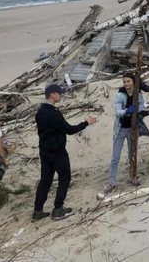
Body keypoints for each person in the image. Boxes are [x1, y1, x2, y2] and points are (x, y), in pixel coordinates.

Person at [33, 84, 97, 222]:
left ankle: (37, 211)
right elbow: (69, 129)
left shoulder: (40, 112)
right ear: (52, 95)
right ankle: (58, 209)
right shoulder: (53, 113)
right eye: (59, 93)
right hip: (57, 152)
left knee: (45, 180)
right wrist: (86, 123)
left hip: (44, 151)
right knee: (65, 177)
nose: (60, 95)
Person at [106, 72, 145, 192]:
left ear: (133, 81)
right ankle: (112, 181)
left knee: (132, 154)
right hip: (121, 129)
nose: (126, 84)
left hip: (132, 129)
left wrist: (137, 110)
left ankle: (132, 177)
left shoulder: (138, 93)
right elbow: (118, 111)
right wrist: (127, 111)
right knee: (116, 156)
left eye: (128, 81)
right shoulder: (120, 94)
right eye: (124, 81)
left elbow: (142, 106)